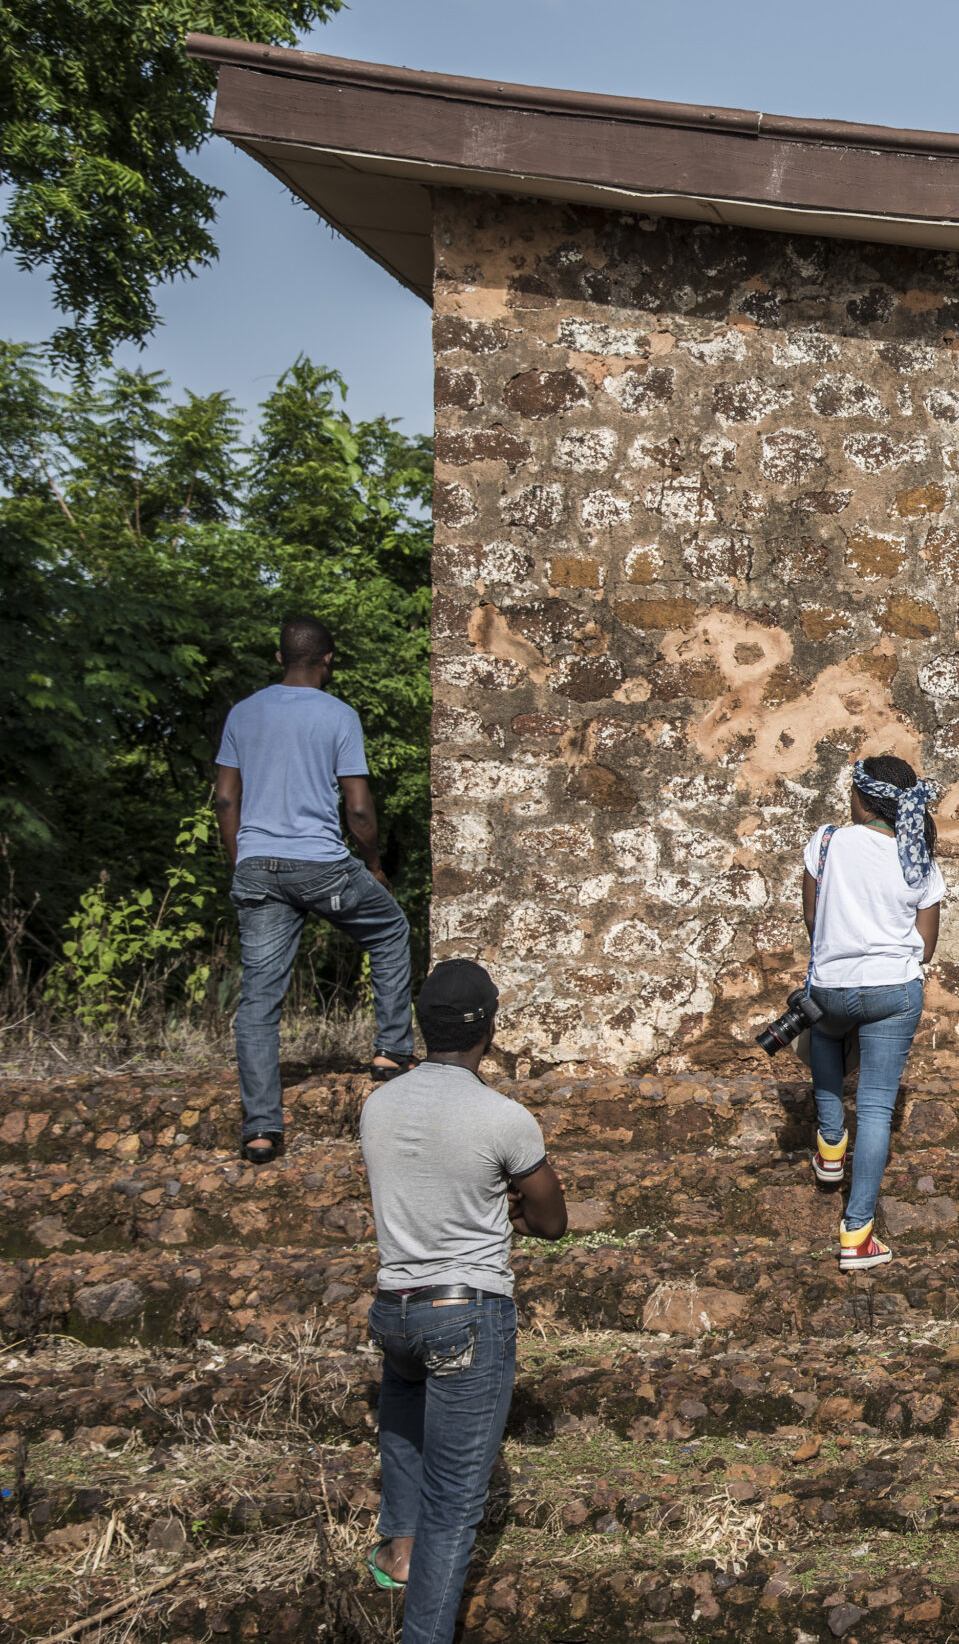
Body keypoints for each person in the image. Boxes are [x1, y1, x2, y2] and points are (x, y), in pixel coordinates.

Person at [360, 960, 565, 1642]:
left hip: (395, 1305)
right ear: (491, 1028)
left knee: (403, 1419)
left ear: (422, 1023)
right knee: (456, 1506)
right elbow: (552, 1218)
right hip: (466, 1311)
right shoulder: (503, 1118)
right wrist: (507, 1205)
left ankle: (398, 1545)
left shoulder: (378, 1104)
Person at [212, 615, 418, 1163]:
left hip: (258, 866)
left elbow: (226, 800)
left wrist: (243, 863)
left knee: (259, 1000)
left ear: (279, 659)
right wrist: (372, 863)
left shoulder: (243, 712)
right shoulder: (338, 715)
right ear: (329, 660)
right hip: (322, 867)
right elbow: (357, 807)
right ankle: (392, 1052)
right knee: (390, 928)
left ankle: (260, 1129)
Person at [802, 755, 944, 1272]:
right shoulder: (920, 858)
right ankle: (857, 1235)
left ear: (862, 800)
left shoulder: (826, 842)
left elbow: (814, 919)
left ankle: (831, 1142)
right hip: (895, 992)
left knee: (822, 1036)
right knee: (879, 1109)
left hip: (832, 987)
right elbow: (925, 949)